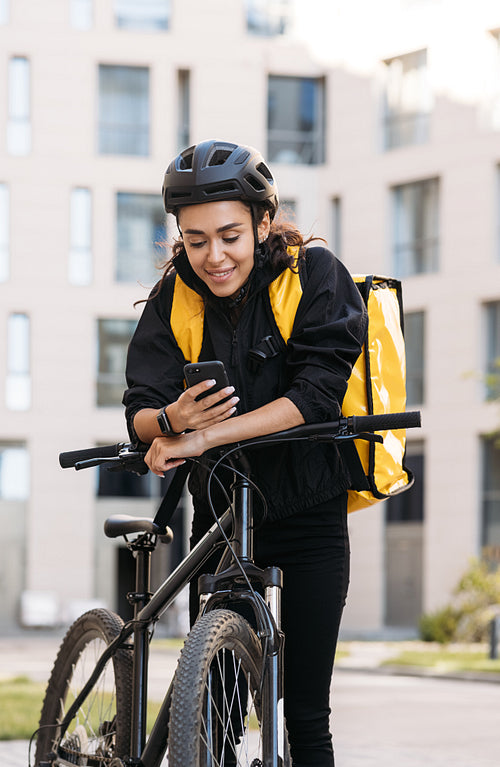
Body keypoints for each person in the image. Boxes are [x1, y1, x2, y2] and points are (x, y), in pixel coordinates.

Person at [123, 139, 368, 767]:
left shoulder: (313, 276)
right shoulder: (173, 299)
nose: (214, 255)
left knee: (307, 716)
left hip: (311, 511)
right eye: (196, 239)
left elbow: (315, 397)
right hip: (225, 517)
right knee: (213, 719)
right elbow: (141, 411)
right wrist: (169, 421)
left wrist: (200, 438)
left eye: (230, 235)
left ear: (263, 222)